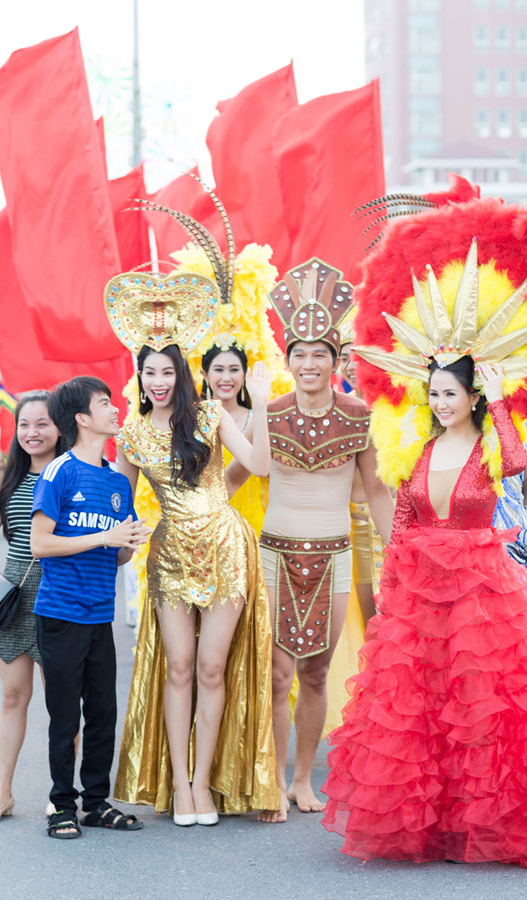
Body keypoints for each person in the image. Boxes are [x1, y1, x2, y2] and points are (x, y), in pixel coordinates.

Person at [323, 240, 527, 864]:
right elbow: (404, 519)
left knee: (477, 707)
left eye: (449, 394)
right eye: (433, 393)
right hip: (418, 587)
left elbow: (519, 466)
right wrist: (392, 591)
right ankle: (431, 823)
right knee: (421, 706)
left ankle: (478, 827)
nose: (439, 403)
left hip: (478, 587)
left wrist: (499, 405)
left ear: (470, 396)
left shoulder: (492, 445)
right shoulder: (413, 448)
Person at [105, 268, 280, 825]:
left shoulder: (209, 415)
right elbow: (120, 503)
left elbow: (257, 465)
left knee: (211, 668)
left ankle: (204, 783)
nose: (158, 380)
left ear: (182, 372)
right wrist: (117, 543)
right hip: (170, 556)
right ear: (139, 377)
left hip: (226, 549)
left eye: (167, 371)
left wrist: (267, 408)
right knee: (177, 666)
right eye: (149, 372)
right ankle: (179, 787)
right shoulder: (130, 436)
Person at [250, 259, 394, 824]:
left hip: (335, 556)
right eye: (300, 354)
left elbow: (376, 492)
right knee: (277, 674)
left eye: (320, 354)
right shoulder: (272, 411)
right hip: (275, 556)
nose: (309, 364)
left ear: (337, 361)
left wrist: (399, 553)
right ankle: (272, 778)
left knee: (314, 672)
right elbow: (244, 471)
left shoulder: (361, 417)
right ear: (287, 360)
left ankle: (305, 779)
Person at [30, 376, 151, 839]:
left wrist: (128, 545)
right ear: (82, 418)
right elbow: (41, 544)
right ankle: (62, 804)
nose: (116, 409)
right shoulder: (59, 472)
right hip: (60, 614)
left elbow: (117, 550)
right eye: (106, 403)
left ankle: (96, 802)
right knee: (65, 717)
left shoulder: (118, 480)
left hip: (102, 616)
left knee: (103, 712)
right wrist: (106, 537)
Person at [0, 391, 64, 824]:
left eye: (42, 423)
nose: (32, 432)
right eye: (24, 425)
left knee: (60, 701)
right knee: (13, 696)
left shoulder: (72, 473)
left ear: (61, 426)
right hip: (15, 595)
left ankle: (60, 791)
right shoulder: (9, 474)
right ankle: (1, 794)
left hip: (60, 593)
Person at [338, 316, 386, 622]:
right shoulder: (339, 409)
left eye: (358, 356)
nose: (351, 366)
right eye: (344, 358)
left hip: (393, 528)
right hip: (353, 533)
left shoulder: (405, 410)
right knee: (365, 628)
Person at [201, 336, 268, 534]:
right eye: (219, 370)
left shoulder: (258, 417)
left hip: (253, 522)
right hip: (207, 525)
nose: (227, 378)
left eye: (234, 369)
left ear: (245, 375)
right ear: (204, 375)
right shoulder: (193, 420)